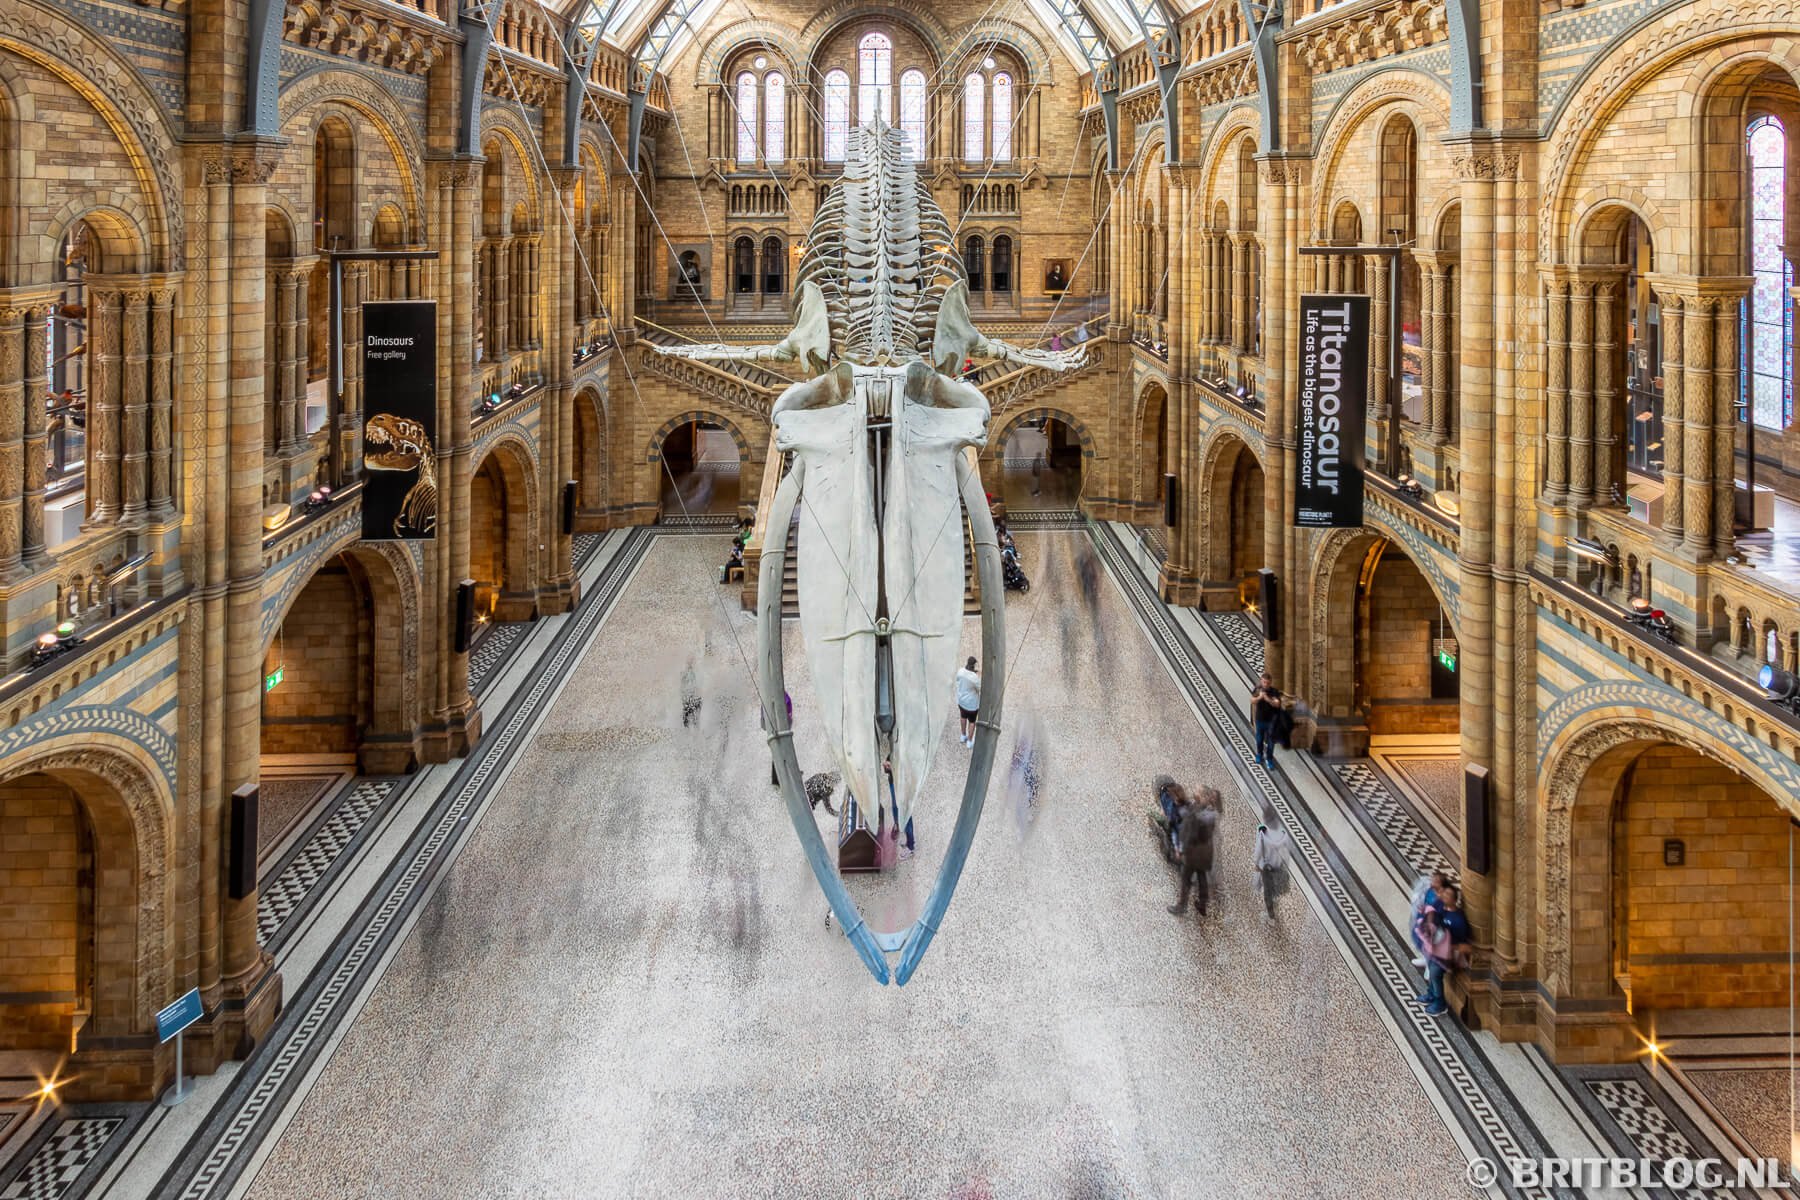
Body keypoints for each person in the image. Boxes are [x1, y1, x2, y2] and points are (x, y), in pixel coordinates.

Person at [1416, 883, 1472, 1016]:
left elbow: (1462, 943)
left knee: (1435, 973)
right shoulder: (1441, 907)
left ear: (1454, 900)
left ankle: (1440, 1003)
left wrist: (1448, 947)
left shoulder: (1458, 919)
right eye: (1444, 894)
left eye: (1448, 895)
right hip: (1436, 948)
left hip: (1447, 953)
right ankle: (1431, 994)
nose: (1444, 896)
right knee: (1430, 967)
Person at [1167, 787, 1219, 917]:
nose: (1195, 792)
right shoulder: (1208, 812)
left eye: (1198, 791)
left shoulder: (1200, 814)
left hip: (1194, 853)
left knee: (1186, 878)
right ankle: (1202, 903)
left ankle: (1182, 905)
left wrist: (1181, 849)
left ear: (1203, 797)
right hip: (1205, 853)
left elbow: (1190, 832)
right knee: (1201, 876)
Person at [1252, 812, 1293, 919]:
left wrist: (1256, 863)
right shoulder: (1284, 834)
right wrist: (1285, 866)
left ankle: (1270, 914)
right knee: (1273, 886)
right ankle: (1274, 898)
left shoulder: (1262, 834)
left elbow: (1258, 852)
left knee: (1266, 888)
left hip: (1265, 867)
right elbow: (1287, 853)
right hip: (1277, 866)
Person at [1409, 870, 1448, 970]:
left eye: (1436, 881)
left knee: (1430, 943)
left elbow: (1437, 911)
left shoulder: (1441, 897)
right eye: (1433, 879)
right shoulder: (1429, 890)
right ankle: (1426, 959)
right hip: (1423, 918)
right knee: (1421, 939)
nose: (1432, 881)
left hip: (1432, 923)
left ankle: (1431, 964)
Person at [883, 758, 913, 860]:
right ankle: (898, 824)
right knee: (896, 808)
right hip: (895, 783)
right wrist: (888, 766)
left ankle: (910, 847)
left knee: (906, 815)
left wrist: (892, 767)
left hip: (901, 785)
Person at [1250, 673, 1282, 767]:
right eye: (1264, 682)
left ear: (1270, 682)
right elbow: (1252, 700)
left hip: (1271, 721)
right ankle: (1259, 754)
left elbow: (1277, 704)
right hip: (1260, 719)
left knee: (1271, 741)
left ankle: (1269, 758)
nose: (1265, 685)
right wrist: (1260, 697)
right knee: (1259, 738)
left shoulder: (1274, 691)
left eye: (1267, 683)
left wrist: (1268, 699)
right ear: (1261, 681)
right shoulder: (1258, 689)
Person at [955, 657, 981, 746]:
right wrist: (978, 676)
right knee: (972, 722)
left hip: (961, 701)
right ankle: (969, 741)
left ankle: (963, 735)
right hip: (971, 705)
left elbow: (958, 679)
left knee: (963, 717)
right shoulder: (975, 677)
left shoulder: (961, 671)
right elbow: (979, 688)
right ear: (974, 665)